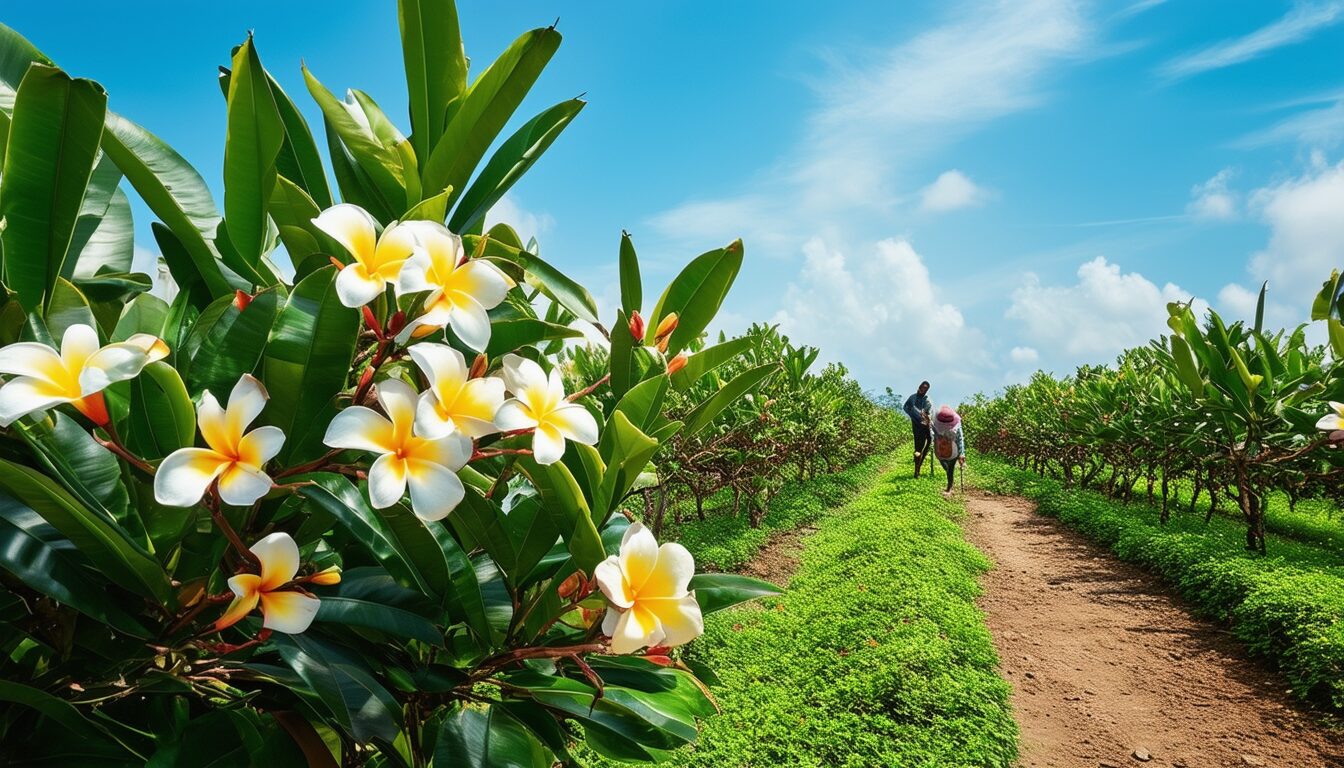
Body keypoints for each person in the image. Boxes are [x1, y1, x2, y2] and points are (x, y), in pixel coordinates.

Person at [930, 405, 966, 499]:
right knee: (944, 464)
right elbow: (932, 432)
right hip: (940, 448)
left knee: (951, 467)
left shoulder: (957, 422)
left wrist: (962, 454)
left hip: (952, 447)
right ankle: (950, 479)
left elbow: (960, 438)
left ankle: (949, 487)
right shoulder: (935, 420)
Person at [903, 381, 932, 477]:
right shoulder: (912, 397)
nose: (922, 389)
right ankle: (917, 470)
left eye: (925, 389)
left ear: (926, 391)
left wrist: (923, 415)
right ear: (919, 387)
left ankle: (920, 463)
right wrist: (912, 415)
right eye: (921, 387)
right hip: (917, 426)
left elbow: (926, 412)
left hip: (925, 425)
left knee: (929, 441)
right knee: (918, 448)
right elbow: (905, 407)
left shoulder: (926, 400)